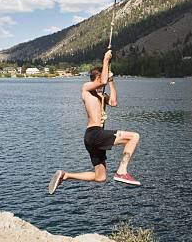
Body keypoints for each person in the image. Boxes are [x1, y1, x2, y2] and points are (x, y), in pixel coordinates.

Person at [48, 49, 141, 194]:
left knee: (100, 177)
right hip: (94, 133)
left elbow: (114, 102)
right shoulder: (86, 89)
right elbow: (102, 80)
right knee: (134, 137)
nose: (103, 83)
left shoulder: (101, 96)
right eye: (101, 80)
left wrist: (112, 82)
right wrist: (106, 60)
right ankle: (122, 171)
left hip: (94, 138)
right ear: (96, 79)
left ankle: (65, 175)